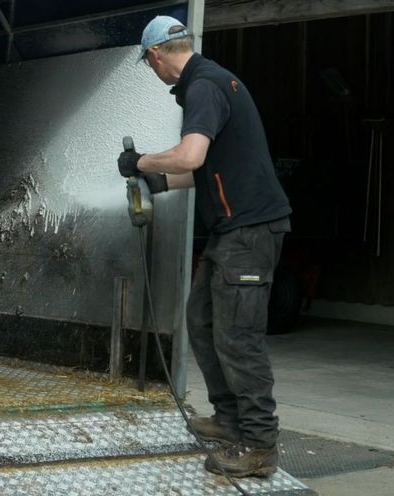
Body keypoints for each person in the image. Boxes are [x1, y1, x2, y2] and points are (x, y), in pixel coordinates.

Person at [117, 15, 292, 478]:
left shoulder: (204, 86)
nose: (153, 71)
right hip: (232, 231)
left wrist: (139, 160)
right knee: (202, 319)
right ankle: (228, 418)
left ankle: (258, 443)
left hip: (249, 231)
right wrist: (154, 180)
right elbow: (200, 169)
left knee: (238, 336)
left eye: (149, 63)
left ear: (156, 56)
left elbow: (190, 154)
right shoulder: (212, 82)